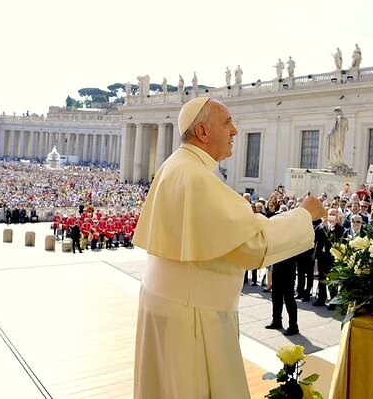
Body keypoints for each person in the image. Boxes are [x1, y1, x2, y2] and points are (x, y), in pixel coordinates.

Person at [132, 96, 326, 398]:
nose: (235, 131)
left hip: (172, 305)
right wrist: (305, 214)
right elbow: (252, 245)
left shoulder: (177, 166)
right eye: (227, 123)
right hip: (194, 316)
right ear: (203, 132)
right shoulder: (196, 177)